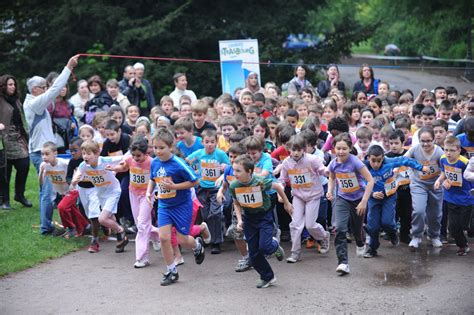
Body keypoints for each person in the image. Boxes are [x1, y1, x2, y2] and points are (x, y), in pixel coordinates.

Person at [24, 55, 79, 235]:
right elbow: (55, 90)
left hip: (43, 150)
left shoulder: (34, 102)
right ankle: (46, 228)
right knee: (47, 193)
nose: (47, 89)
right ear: (35, 89)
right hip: (41, 152)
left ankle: (47, 226)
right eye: (44, 87)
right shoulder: (34, 104)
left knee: (48, 192)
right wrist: (68, 67)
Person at [146, 127, 205, 286]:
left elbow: (195, 181)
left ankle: (197, 244)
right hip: (164, 205)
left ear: (170, 146)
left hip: (181, 205)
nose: (157, 151)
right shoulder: (155, 162)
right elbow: (153, 178)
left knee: (182, 239)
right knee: (164, 237)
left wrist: (175, 187)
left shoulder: (178, 164)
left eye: (161, 148)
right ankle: (172, 271)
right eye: (155, 147)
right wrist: (149, 192)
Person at [229, 155, 292, 288]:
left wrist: (287, 203)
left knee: (264, 246)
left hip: (264, 216)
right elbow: (236, 203)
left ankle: (274, 245)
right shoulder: (234, 185)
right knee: (253, 254)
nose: (235, 174)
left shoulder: (260, 182)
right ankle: (267, 277)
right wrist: (239, 220)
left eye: (238, 171)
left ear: (249, 171)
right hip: (249, 219)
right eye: (234, 170)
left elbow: (278, 187)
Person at [363, 145, 427, 258]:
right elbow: (360, 182)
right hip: (374, 199)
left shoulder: (389, 162)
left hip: (389, 196)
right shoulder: (364, 167)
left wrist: (420, 167)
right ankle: (372, 248)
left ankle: (392, 234)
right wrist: (372, 193)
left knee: (387, 222)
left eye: (379, 160)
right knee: (373, 226)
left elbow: (405, 160)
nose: (376, 164)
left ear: (383, 157)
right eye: (373, 161)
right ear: (368, 158)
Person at [107, 136, 160, 267]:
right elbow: (124, 168)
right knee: (141, 223)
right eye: (134, 155)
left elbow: (158, 178)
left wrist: (158, 192)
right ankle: (159, 236)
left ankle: (142, 258)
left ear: (146, 153)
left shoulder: (152, 162)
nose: (136, 158)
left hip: (147, 195)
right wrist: (113, 168)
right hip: (134, 194)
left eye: (139, 156)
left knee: (142, 225)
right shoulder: (130, 159)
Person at [326, 133, 374, 275]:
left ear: (350, 148)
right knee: (339, 228)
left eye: (344, 149)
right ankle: (343, 263)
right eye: (338, 148)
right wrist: (330, 191)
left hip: (358, 198)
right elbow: (331, 177)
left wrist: (364, 202)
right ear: (334, 148)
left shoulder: (355, 162)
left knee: (356, 229)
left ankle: (360, 242)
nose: (341, 152)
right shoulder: (334, 163)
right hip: (342, 198)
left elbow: (370, 181)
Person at [278, 135, 331, 263]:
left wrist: (328, 171)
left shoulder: (312, 159)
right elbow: (282, 179)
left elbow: (322, 170)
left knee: (310, 224)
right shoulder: (286, 163)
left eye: (299, 150)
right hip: (298, 196)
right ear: (289, 150)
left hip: (313, 195)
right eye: (293, 150)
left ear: (304, 149)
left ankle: (324, 236)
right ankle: (295, 253)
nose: (296, 153)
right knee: (296, 224)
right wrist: (280, 192)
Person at [71, 140, 129, 253]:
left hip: (113, 191)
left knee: (102, 219)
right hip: (101, 194)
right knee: (111, 218)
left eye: (88, 154)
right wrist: (74, 181)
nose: (85, 156)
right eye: (83, 154)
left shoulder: (105, 160)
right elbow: (77, 174)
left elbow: (124, 156)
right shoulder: (83, 165)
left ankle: (120, 230)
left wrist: (123, 162)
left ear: (97, 153)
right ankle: (122, 240)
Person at [187, 129, 230, 254]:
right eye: (207, 142)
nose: (209, 144)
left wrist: (225, 168)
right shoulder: (199, 153)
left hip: (216, 188)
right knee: (205, 214)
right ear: (202, 142)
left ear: (216, 142)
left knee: (215, 213)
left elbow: (229, 167)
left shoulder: (220, 154)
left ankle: (216, 242)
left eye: (212, 142)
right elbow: (186, 161)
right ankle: (208, 237)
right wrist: (193, 174)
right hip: (202, 188)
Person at [405, 127, 444, 250]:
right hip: (419, 184)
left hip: (435, 185)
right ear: (419, 140)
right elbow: (404, 159)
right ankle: (416, 236)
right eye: (423, 141)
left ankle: (434, 236)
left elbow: (445, 168)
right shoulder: (415, 149)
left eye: (429, 141)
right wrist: (399, 168)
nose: (425, 144)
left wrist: (443, 180)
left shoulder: (439, 152)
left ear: (434, 140)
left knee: (435, 214)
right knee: (419, 210)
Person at [39, 142, 89, 238]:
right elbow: (41, 184)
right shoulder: (44, 166)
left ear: (55, 153)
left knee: (62, 207)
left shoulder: (64, 163)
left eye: (47, 154)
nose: (44, 157)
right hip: (62, 193)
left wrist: (74, 182)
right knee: (73, 210)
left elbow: (76, 170)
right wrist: (41, 172)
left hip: (72, 190)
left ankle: (71, 228)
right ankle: (86, 226)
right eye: (42, 154)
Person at [435, 136, 473, 256]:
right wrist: (440, 181)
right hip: (451, 198)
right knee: (452, 227)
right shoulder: (442, 159)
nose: (448, 153)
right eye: (446, 150)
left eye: (452, 150)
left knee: (464, 226)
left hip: (466, 199)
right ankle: (463, 246)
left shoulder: (465, 163)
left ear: (459, 150)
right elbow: (444, 172)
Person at [0, 75, 31, 209]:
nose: (12, 87)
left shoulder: (16, 100)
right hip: (4, 139)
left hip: (18, 138)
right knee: (5, 171)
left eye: (13, 84)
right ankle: (4, 201)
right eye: (9, 84)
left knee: (24, 165)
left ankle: (19, 195)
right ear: (3, 86)